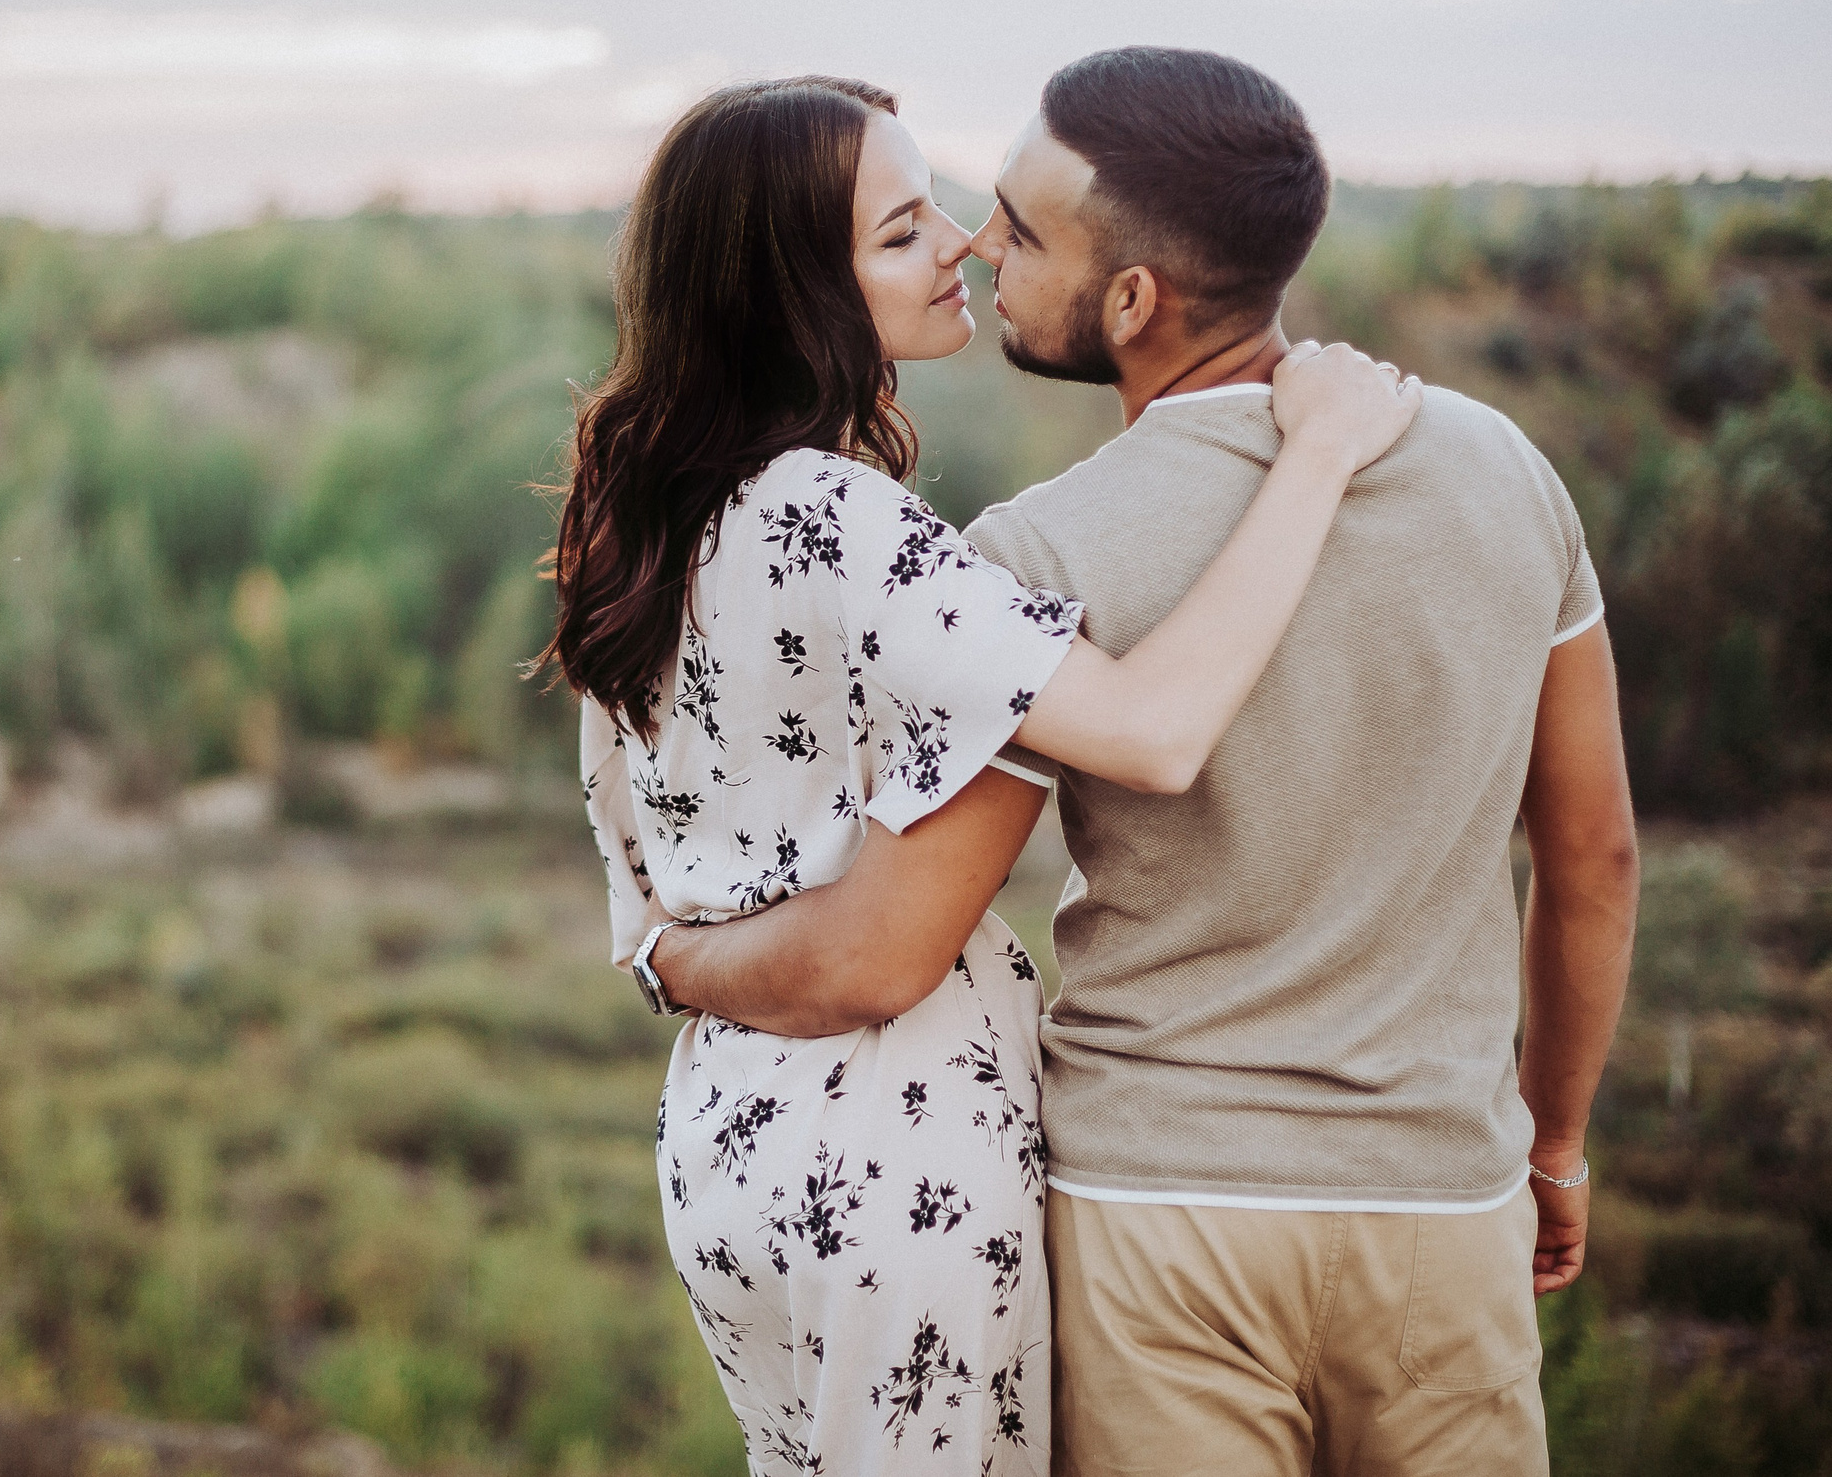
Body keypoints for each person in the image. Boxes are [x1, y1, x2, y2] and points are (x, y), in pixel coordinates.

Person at [646, 49, 1642, 1476]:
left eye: (1022, 229)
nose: (983, 247)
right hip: (1441, 1201)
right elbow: (1594, 861)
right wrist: (1557, 1145)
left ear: (1131, 302)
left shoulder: (1048, 552)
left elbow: (888, 947)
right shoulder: (1507, 478)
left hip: (1157, 1215)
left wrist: (673, 957)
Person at [547, 72, 1419, 1476]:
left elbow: (636, 884)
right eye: (902, 233)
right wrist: (1314, 457)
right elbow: (1152, 734)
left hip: (727, 1140)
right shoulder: (839, 521)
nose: (960, 241)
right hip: (890, 1153)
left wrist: (670, 966)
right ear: (792, 297)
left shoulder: (650, 518)